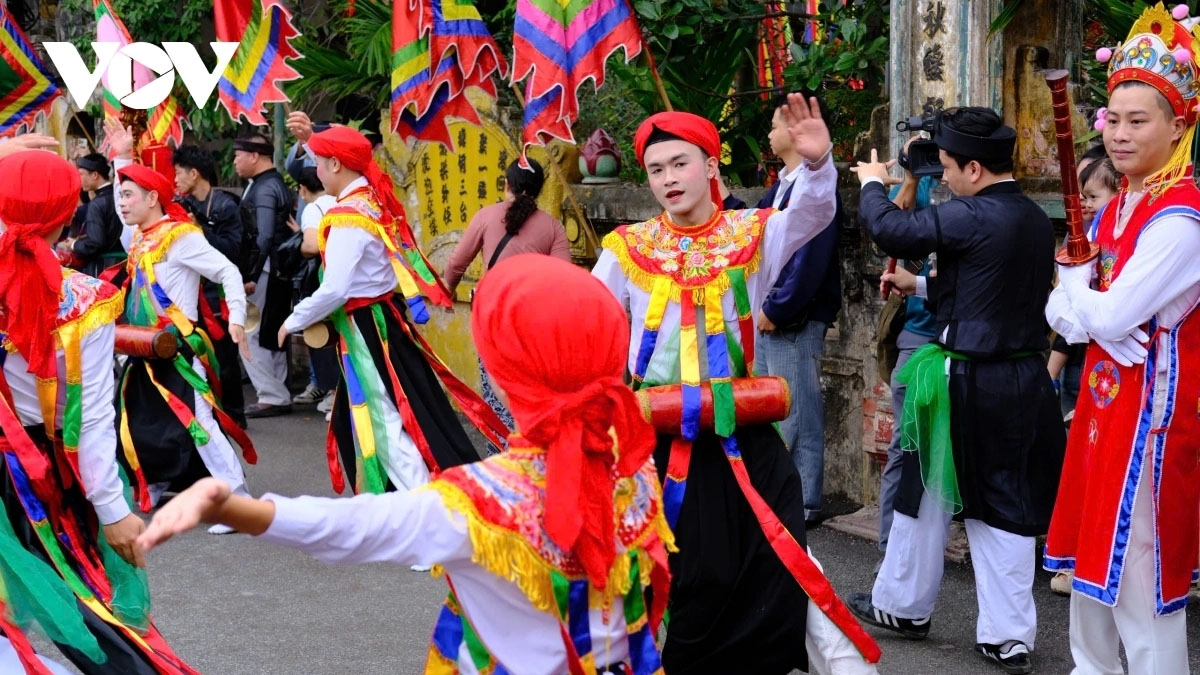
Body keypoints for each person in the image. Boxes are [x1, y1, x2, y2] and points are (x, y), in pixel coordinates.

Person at [136, 255, 675, 674]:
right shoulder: (634, 466)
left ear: (504, 369)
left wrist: (230, 507)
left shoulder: (481, 502)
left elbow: (352, 528)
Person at [592, 98, 880, 674]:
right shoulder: (627, 249)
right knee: (665, 575)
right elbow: (590, 323)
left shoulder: (753, 235)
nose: (668, 179)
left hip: (741, 439)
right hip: (656, 443)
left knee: (778, 562)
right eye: (655, 169)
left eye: (680, 163)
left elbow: (814, 215)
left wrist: (820, 165)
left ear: (711, 166)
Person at [847, 106, 1066, 675]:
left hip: (965, 379)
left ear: (973, 168)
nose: (941, 176)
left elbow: (891, 229)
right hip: (1019, 376)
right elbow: (981, 284)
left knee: (927, 494)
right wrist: (917, 282)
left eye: (945, 167)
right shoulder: (1032, 219)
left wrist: (873, 187)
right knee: (1002, 504)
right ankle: (1006, 636)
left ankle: (902, 605)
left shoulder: (973, 214)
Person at [1043, 6, 1200, 673]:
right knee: (1089, 586)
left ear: (1181, 123)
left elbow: (1104, 319)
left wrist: (1080, 291)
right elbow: (1066, 313)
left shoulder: (1182, 220)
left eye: (1140, 121)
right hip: (1105, 416)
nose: (1120, 134)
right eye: (1114, 119)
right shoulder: (1115, 207)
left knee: (1142, 592)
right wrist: (1082, 295)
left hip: (1150, 427)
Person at [0, 148, 198, 675]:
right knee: (84, 600)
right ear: (70, 215)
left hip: (27, 468)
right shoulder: (85, 298)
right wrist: (112, 510)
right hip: (38, 471)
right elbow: (88, 419)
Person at [279, 118, 509, 502]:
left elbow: (336, 287)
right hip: (383, 319)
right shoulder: (370, 199)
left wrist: (294, 318)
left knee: (385, 420)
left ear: (336, 165)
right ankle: (431, 505)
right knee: (410, 410)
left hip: (368, 326)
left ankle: (430, 512)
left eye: (319, 162)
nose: (316, 171)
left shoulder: (349, 213)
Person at [108, 121, 257, 536]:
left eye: (128, 195)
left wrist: (237, 320)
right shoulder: (139, 237)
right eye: (119, 195)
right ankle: (154, 484)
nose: (121, 203)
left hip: (178, 346)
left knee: (201, 421)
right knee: (139, 417)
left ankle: (238, 499)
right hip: (142, 347)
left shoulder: (180, 236)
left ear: (153, 197)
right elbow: (122, 225)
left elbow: (228, 272)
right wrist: (122, 154)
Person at [754, 93, 843, 524]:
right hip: (770, 315)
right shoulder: (780, 186)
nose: (769, 136)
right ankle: (779, 487)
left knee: (798, 410)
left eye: (773, 126)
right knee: (771, 409)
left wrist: (778, 307)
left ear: (793, 131)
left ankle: (805, 498)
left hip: (793, 317)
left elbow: (809, 258)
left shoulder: (815, 187)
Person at [443, 157, 571, 450]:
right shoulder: (552, 227)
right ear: (539, 189)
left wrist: (447, 290)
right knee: (533, 390)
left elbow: (456, 263)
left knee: (496, 389)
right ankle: (536, 453)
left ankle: (502, 456)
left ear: (506, 185)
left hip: (492, 316)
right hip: (535, 322)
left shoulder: (486, 216)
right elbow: (565, 279)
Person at [878, 165, 940, 554]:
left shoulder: (975, 189)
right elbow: (890, 235)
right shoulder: (918, 185)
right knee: (907, 445)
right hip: (919, 334)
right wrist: (913, 176)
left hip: (965, 336)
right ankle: (891, 546)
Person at [174, 144, 248, 428]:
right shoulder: (183, 204)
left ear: (195, 174)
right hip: (195, 292)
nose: (176, 180)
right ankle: (209, 413)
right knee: (200, 354)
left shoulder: (226, 206)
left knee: (226, 358)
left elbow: (232, 251)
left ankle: (234, 417)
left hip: (219, 295)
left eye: (179, 173)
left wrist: (199, 230)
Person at [234, 131, 294, 419]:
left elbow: (264, 234)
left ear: (254, 156)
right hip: (275, 267)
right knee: (271, 330)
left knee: (253, 330)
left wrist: (251, 274)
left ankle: (272, 395)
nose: (234, 160)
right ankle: (277, 392)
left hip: (266, 268)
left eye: (238, 154)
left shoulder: (265, 188)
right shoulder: (269, 184)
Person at [287, 165, 339, 416]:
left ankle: (332, 393)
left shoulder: (312, 208)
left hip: (322, 276)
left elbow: (311, 245)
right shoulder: (341, 199)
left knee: (320, 334)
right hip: (346, 277)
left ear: (304, 189)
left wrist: (297, 244)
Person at [62, 152, 126, 277]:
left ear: (95, 175)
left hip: (105, 268)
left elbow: (95, 242)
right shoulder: (119, 196)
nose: (79, 179)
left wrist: (74, 244)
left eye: (81, 174)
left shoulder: (97, 204)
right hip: (124, 265)